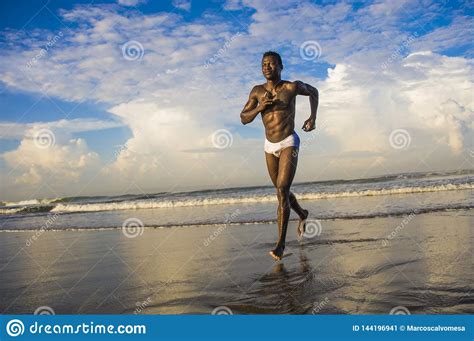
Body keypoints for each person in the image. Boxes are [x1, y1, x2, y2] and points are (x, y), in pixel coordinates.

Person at [240, 51, 319, 261]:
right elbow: (243, 119)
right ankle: (302, 214)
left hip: (288, 141)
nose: (267, 67)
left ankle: (281, 245)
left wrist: (313, 117)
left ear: (281, 66)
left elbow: (314, 91)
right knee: (281, 190)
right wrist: (259, 108)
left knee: (282, 189)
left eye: (272, 64)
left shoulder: (291, 87)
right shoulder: (257, 92)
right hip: (269, 146)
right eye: (264, 64)